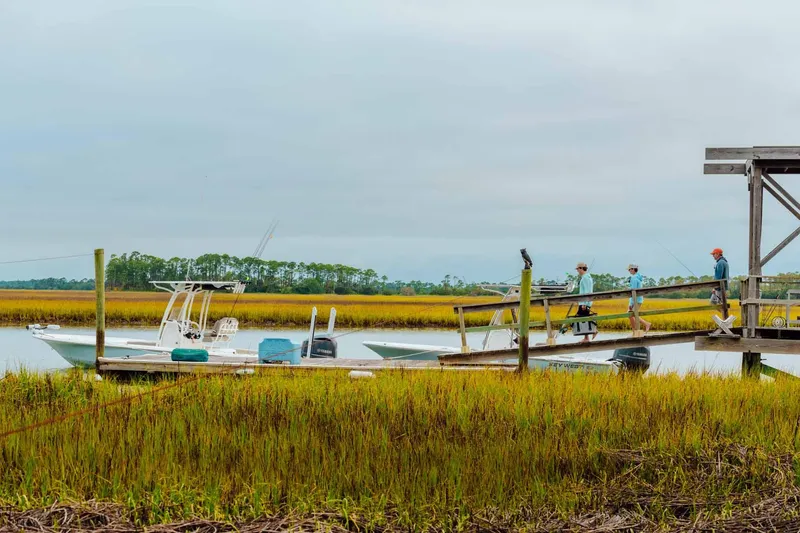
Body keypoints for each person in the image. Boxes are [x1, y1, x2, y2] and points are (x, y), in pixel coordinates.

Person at [575, 262, 597, 343]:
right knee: (584, 318)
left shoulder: (585, 278)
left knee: (582, 318)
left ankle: (592, 333)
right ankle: (587, 337)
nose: (577, 271)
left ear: (581, 269)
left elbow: (587, 291)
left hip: (584, 302)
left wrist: (584, 303)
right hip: (584, 302)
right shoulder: (587, 277)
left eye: (578, 269)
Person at [627, 264, 651, 334]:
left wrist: (631, 303)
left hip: (636, 300)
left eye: (630, 269)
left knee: (632, 314)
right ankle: (635, 331)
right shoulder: (637, 277)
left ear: (633, 269)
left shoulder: (634, 278)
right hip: (638, 299)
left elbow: (633, 291)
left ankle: (646, 324)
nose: (629, 271)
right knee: (630, 314)